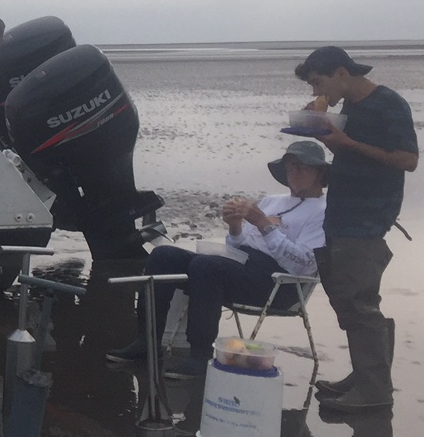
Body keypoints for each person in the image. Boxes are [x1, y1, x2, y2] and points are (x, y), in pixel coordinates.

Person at [107, 139, 330, 378]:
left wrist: (263, 223)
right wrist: (235, 228)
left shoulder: (323, 211)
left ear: (319, 173)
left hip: (280, 284)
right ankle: (147, 340)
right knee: (164, 255)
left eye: (303, 166)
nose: (294, 172)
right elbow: (238, 247)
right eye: (291, 166)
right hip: (244, 267)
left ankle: (200, 355)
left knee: (207, 266)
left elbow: (304, 265)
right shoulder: (272, 201)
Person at [295, 46, 419, 413]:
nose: (318, 91)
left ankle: (374, 389)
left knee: (359, 299)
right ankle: (365, 374)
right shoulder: (350, 107)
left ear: (340, 73)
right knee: (345, 296)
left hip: (368, 215)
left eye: (319, 83)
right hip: (342, 210)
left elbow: (408, 160)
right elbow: (349, 153)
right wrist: (320, 132)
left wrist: (347, 143)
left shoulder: (389, 104)